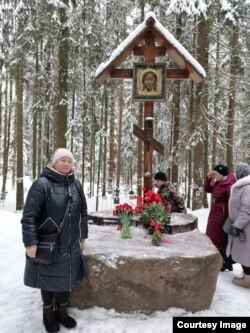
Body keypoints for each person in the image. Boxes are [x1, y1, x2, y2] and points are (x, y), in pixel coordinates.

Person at [21, 148, 88, 333]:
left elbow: (83, 212)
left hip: (71, 244)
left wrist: (83, 235)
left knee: (66, 279)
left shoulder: (76, 185)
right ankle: (48, 312)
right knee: (48, 279)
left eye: (70, 161)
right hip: (49, 245)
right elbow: (29, 216)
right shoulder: (41, 184)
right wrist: (30, 243)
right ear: (55, 162)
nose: (66, 163)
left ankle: (61, 311)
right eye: (63, 160)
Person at [203, 164, 236, 271]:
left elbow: (232, 203)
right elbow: (207, 189)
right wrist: (208, 178)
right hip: (215, 214)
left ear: (222, 174)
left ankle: (223, 262)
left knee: (220, 239)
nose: (215, 176)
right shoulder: (219, 183)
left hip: (222, 216)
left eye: (216, 174)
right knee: (212, 237)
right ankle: (216, 260)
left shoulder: (228, 185)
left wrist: (227, 216)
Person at [228, 162, 250, 288]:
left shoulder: (247, 188)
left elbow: (247, 210)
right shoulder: (242, 186)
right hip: (242, 227)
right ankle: (247, 275)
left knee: (246, 253)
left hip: (245, 227)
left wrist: (237, 226)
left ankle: (248, 280)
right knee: (244, 252)